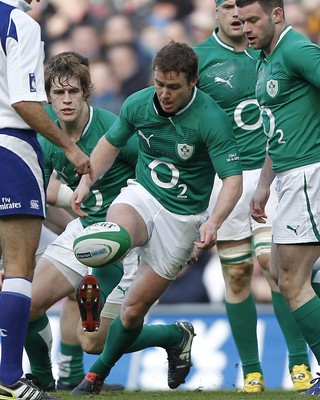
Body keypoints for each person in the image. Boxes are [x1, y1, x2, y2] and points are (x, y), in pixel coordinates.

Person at [70, 40, 243, 395]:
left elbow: (233, 180)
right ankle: (107, 273)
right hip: (144, 195)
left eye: (173, 87)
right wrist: (87, 181)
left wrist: (213, 222)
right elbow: (110, 144)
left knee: (133, 313)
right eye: (160, 84)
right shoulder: (138, 103)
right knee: (117, 231)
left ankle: (119, 362)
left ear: (193, 81)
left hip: (183, 219)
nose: (164, 94)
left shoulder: (211, 119)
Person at [24, 51, 197, 393]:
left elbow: (156, 180)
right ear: (49, 97)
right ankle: (42, 380)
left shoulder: (112, 128)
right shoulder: (46, 136)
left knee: (94, 343)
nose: (67, 100)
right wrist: (18, 261)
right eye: (59, 93)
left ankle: (174, 335)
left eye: (73, 91)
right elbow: (37, 198)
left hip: (127, 240)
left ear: (85, 92)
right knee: (25, 306)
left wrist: (178, 237)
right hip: (84, 233)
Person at [194, 0, 312, 392]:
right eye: (231, 10)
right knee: (249, 273)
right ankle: (252, 370)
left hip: (292, 172)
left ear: (274, 15)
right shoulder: (206, 60)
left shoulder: (286, 50)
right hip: (232, 179)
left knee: (280, 272)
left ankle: (300, 365)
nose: (239, 21)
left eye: (247, 15)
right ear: (216, 12)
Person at [0, 1, 90, 399]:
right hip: (9, 146)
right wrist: (70, 148)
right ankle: (8, 377)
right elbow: (23, 101)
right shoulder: (19, 22)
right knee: (19, 268)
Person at [235, 0, 320, 395]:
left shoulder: (296, 49)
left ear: (277, 15)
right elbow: (278, 125)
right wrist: (265, 183)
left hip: (309, 173)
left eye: (253, 19)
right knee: (279, 275)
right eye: (241, 20)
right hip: (287, 177)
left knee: (292, 279)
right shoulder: (264, 60)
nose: (246, 27)